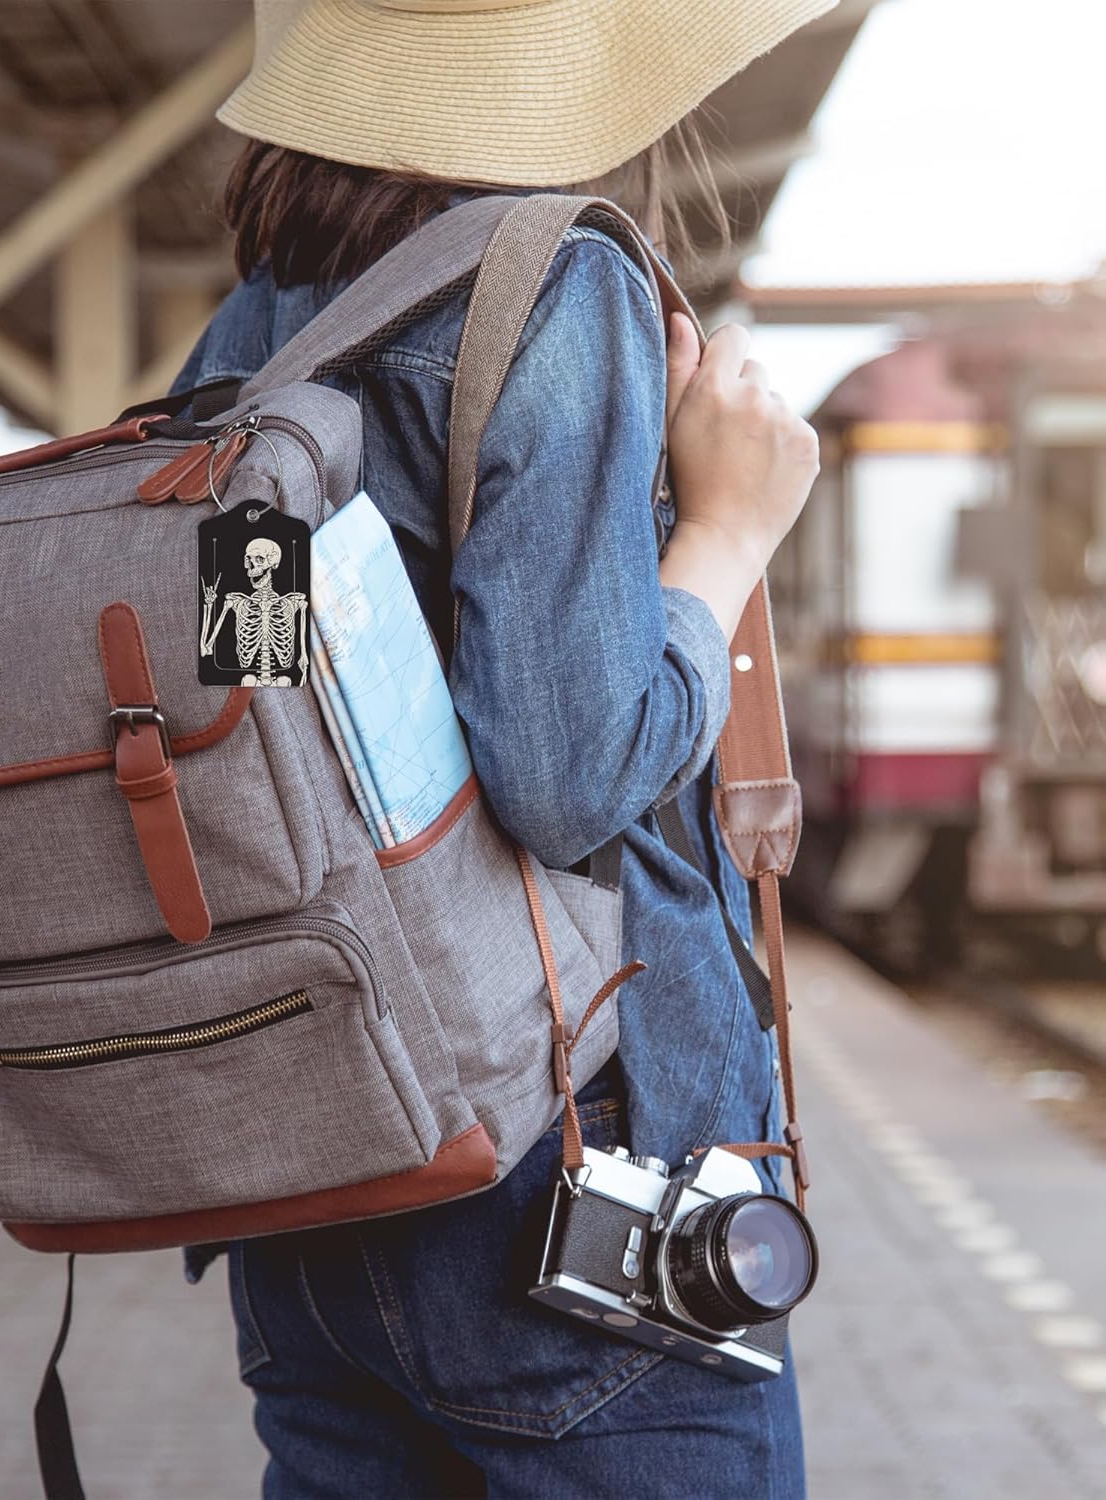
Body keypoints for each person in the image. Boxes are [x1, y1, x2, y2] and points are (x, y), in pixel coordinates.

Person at [171, 2, 829, 1494]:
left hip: (319, 1169)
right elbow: (570, 773)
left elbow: (246, 725)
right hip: (565, 1173)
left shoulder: (253, 332)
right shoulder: (557, 279)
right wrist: (727, 533)